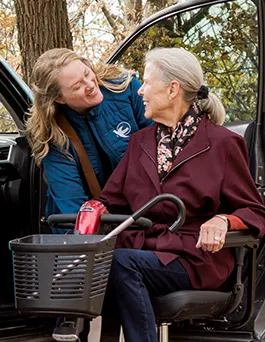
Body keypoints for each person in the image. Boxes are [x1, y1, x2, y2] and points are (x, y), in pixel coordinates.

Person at [78, 47, 265, 342]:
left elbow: (254, 211)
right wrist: (93, 207)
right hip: (145, 249)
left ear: (173, 88)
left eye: (148, 83)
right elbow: (109, 199)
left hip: (194, 257)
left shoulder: (222, 144)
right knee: (98, 260)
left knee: (120, 262)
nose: (141, 92)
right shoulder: (140, 142)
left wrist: (224, 221)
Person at [25, 48, 153, 231]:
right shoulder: (54, 136)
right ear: (59, 99)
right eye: (77, 86)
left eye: (86, 73)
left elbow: (162, 141)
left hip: (142, 208)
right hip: (92, 226)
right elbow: (73, 208)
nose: (90, 84)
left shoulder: (124, 87)